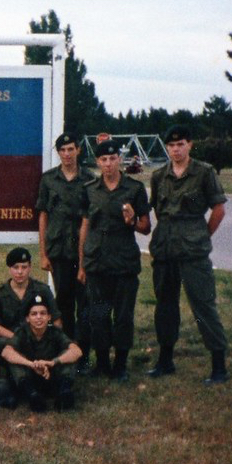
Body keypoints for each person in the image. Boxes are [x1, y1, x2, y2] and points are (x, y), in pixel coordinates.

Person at [147, 125, 229, 384]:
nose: (176, 149)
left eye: (181, 144)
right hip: (165, 249)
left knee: (203, 306)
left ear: (190, 145)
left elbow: (218, 210)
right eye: (171, 145)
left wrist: (201, 236)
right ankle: (165, 360)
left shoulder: (203, 172)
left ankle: (219, 366)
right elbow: (160, 213)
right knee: (165, 307)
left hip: (193, 251)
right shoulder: (159, 176)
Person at [77, 140, 151, 381]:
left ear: (119, 159)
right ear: (98, 162)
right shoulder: (89, 189)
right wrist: (82, 263)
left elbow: (145, 227)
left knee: (122, 316)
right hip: (96, 263)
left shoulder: (135, 188)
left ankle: (120, 365)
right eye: (103, 160)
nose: (108, 164)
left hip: (123, 264)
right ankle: (102, 363)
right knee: (98, 316)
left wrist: (131, 220)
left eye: (112, 159)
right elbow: (85, 226)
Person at [36, 132, 96, 368]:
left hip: (84, 254)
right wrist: (43, 253)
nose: (67, 154)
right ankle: (67, 351)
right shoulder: (49, 179)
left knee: (87, 307)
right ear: (58, 153)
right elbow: (43, 216)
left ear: (78, 150)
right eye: (63, 150)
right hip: (59, 252)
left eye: (71, 149)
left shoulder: (90, 180)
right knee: (63, 306)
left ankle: (84, 354)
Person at [1, 293, 82, 412]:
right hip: (30, 380)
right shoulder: (22, 333)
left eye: (43, 313)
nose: (39, 317)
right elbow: (6, 352)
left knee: (68, 355)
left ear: (49, 317)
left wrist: (52, 363)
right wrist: (31, 364)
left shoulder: (55, 332)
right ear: (27, 318)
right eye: (34, 314)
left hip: (51, 376)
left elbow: (77, 351)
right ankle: (33, 396)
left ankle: (64, 394)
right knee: (15, 359)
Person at [0, 247, 61, 342]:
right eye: (16, 267)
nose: (20, 272)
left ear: (30, 267)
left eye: (24, 267)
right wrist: (16, 338)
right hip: (10, 341)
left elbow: (56, 321)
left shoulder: (43, 290)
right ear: (9, 269)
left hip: (38, 341)